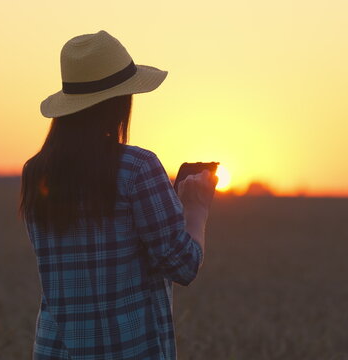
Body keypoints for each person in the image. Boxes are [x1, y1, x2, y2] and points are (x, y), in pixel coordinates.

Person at [19, 30, 217, 360]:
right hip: (127, 350)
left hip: (55, 350)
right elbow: (183, 265)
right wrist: (195, 208)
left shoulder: (36, 171)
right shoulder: (138, 167)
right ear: (120, 101)